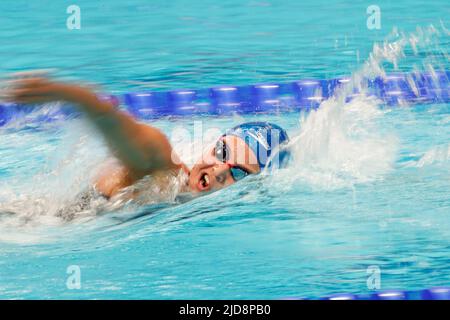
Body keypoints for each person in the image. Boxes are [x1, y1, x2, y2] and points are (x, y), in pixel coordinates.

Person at [3, 74, 290, 216]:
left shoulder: (184, 201)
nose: (219, 170)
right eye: (223, 152)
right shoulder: (162, 168)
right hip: (26, 222)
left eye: (238, 173)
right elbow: (114, 124)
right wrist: (72, 95)